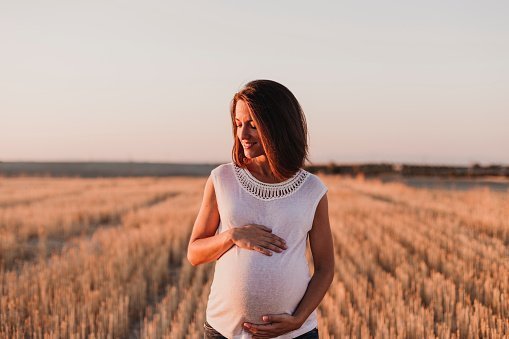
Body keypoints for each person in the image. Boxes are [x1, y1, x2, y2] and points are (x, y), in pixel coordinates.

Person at [187, 79, 335, 339]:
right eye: (238, 124)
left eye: (253, 125)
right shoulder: (222, 179)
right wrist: (232, 236)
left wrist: (298, 320)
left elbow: (325, 268)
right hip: (224, 331)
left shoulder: (312, 190)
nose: (242, 135)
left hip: (295, 335)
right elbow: (194, 253)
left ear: (279, 126)